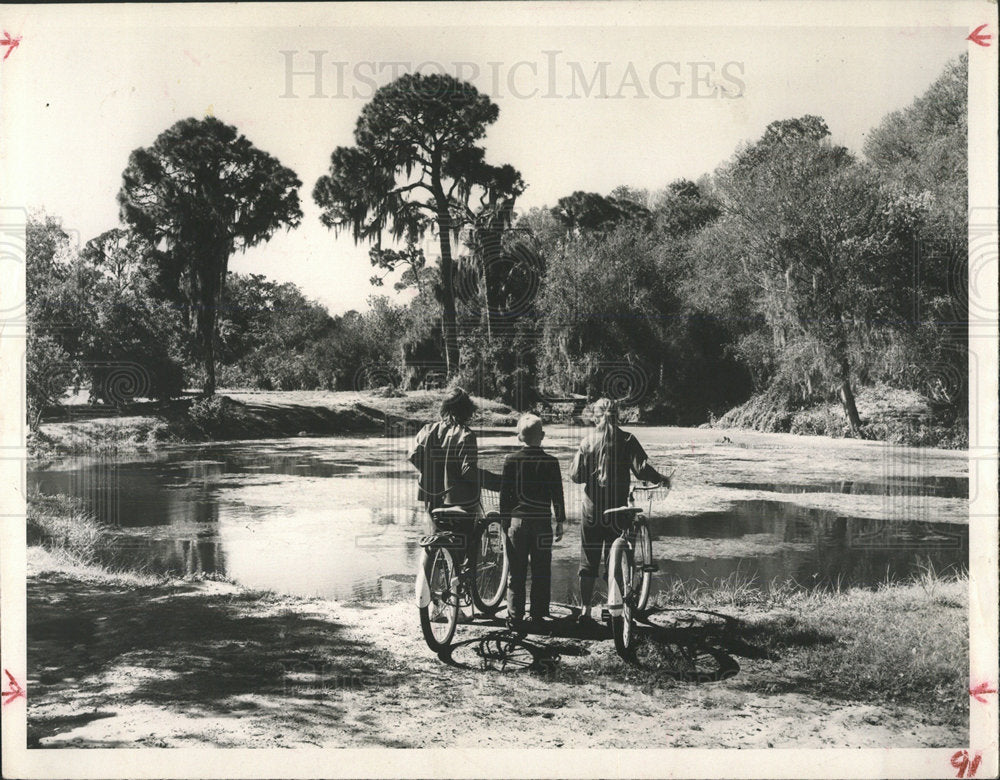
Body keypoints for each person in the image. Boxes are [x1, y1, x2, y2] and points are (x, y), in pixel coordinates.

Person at [569, 398, 671, 621]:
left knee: (588, 561)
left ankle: (585, 610)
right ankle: (613, 606)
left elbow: (576, 476)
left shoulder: (587, 441)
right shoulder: (627, 439)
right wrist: (661, 478)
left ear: (596, 416)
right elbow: (642, 471)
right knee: (616, 559)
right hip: (618, 510)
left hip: (592, 510)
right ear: (619, 415)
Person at [408, 387, 501, 572]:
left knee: (436, 543)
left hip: (432, 499)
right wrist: (498, 482)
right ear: (467, 411)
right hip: (461, 502)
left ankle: (437, 589)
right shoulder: (466, 435)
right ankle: (462, 582)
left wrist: (430, 474)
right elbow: (468, 472)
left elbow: (413, 456)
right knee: (465, 547)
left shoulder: (427, 430)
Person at [499, 414, 566, 633]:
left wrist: (504, 523)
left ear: (519, 437)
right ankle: (537, 615)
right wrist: (560, 520)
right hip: (542, 523)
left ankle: (515, 617)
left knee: (516, 572)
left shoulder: (511, 460)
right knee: (541, 570)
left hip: (517, 523)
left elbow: (504, 497)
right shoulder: (551, 462)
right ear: (543, 436)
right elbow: (558, 494)